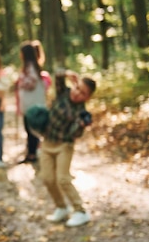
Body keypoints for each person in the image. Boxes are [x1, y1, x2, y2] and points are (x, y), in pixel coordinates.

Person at [39, 69, 96, 227]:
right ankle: (61, 207)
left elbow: (74, 134)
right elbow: (56, 74)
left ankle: (80, 211)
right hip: (47, 142)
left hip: (64, 145)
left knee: (63, 178)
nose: (78, 94)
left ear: (87, 97)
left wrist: (81, 125)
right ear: (74, 85)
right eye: (78, 88)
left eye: (83, 93)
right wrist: (68, 74)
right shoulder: (63, 92)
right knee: (47, 178)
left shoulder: (81, 112)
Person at [15, 41, 49, 163]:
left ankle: (32, 154)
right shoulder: (33, 66)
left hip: (31, 105)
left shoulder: (29, 67)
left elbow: (31, 82)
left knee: (31, 130)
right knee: (30, 130)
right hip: (32, 104)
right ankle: (31, 153)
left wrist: (20, 83)